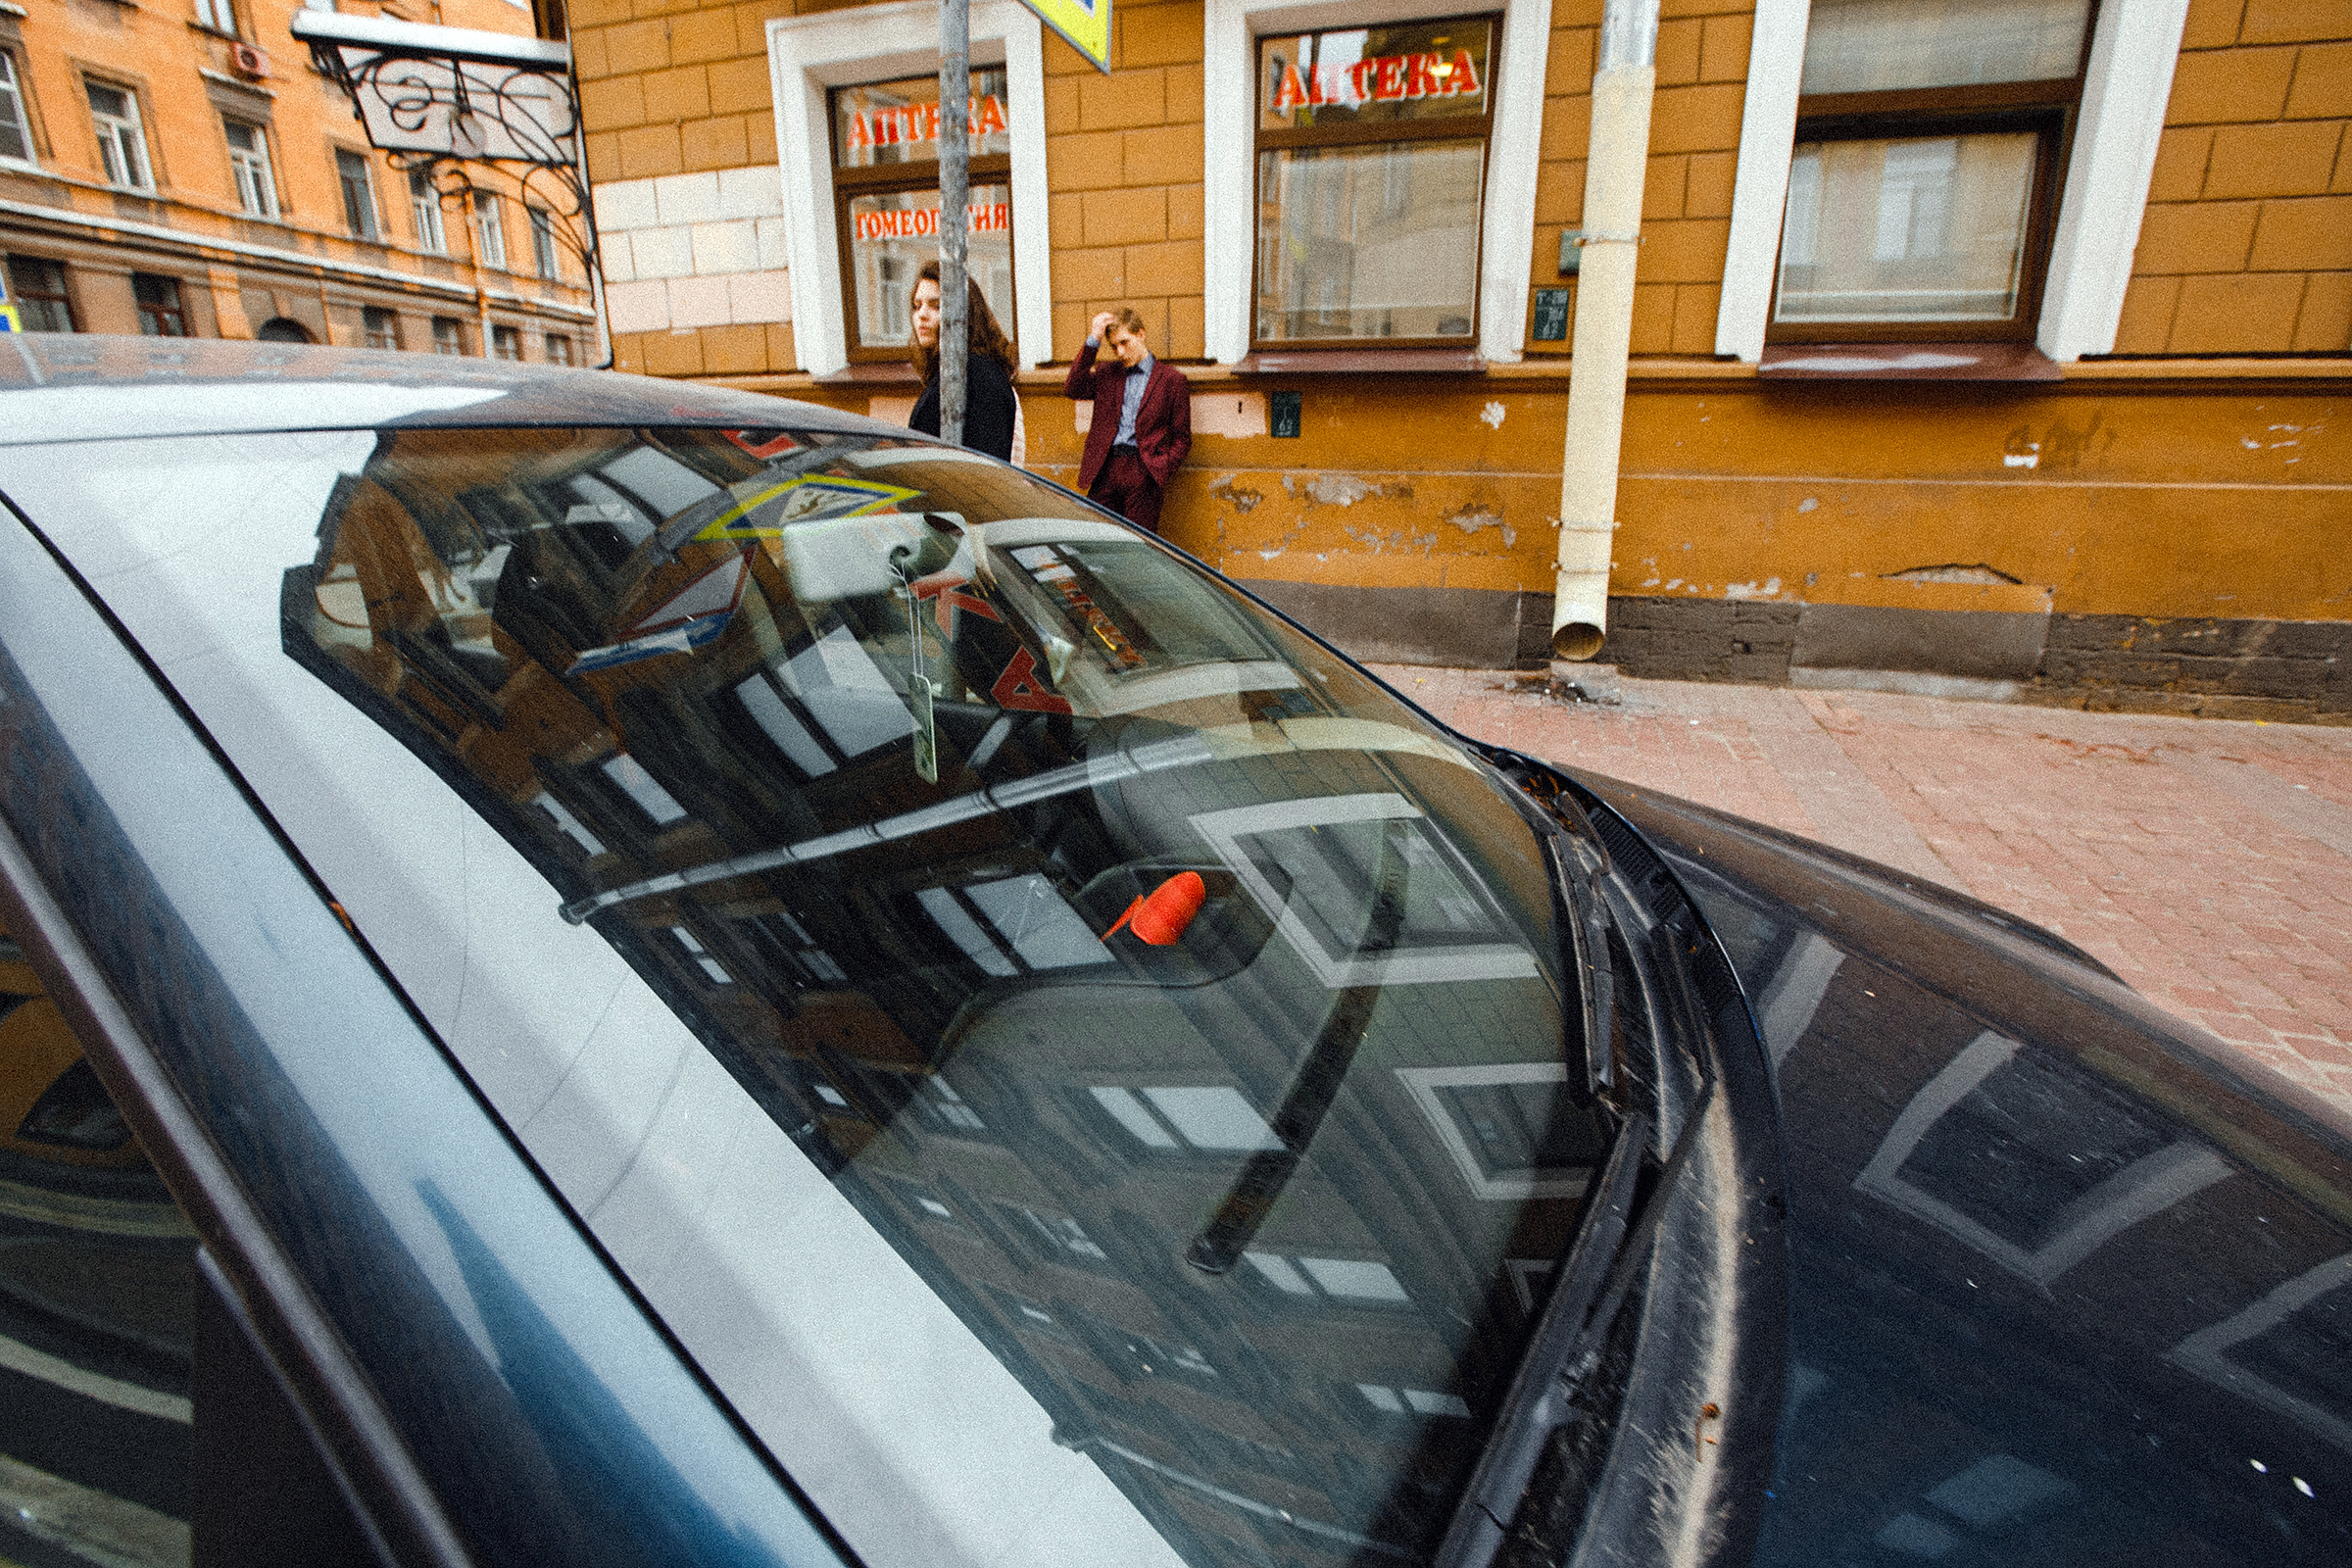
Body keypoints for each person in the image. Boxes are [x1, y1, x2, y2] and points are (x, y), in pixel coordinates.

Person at [1063, 308, 1190, 533]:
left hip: (1144, 470)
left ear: (1140, 334)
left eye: (1125, 342)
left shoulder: (1172, 381)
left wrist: (1161, 467)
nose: (1120, 352)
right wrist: (1094, 340)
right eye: (1113, 346)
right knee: (1096, 538)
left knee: (1137, 544)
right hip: (1105, 467)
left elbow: (1182, 437)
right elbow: (1073, 388)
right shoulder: (1106, 373)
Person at [907, 260, 1019, 463]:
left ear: (964, 311)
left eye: (936, 305)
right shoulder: (953, 370)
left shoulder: (978, 373)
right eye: (917, 306)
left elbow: (986, 462)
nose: (921, 315)